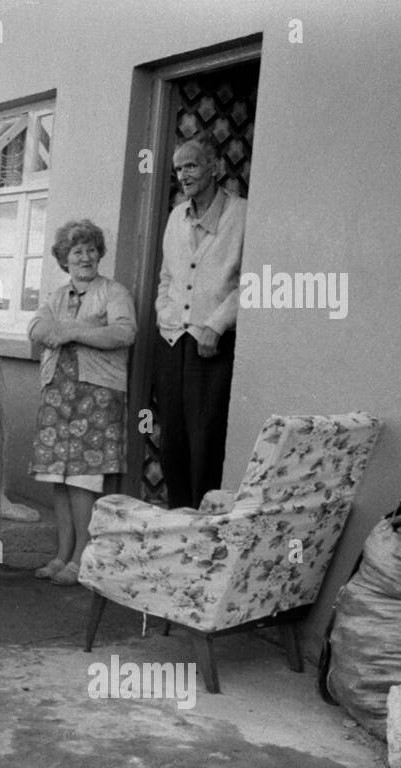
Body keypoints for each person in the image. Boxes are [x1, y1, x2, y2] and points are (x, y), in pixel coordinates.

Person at [28, 220, 136, 586]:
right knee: (59, 477)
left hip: (97, 395)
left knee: (84, 480)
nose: (85, 257)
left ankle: (81, 559)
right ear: (65, 259)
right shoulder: (56, 297)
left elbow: (124, 332)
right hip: (59, 393)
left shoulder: (114, 292)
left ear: (99, 254)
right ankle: (61, 554)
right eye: (77, 252)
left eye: (91, 250)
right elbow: (37, 329)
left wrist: (72, 331)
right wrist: (54, 330)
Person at [153, 136, 247, 509]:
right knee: (173, 439)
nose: (183, 175)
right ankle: (179, 519)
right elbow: (166, 277)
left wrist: (218, 323)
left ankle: (204, 523)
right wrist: (165, 314)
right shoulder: (177, 215)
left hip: (212, 344)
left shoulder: (241, 214)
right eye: (178, 169)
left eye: (191, 165)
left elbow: (252, 279)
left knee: (205, 439)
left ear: (215, 167)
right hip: (173, 340)